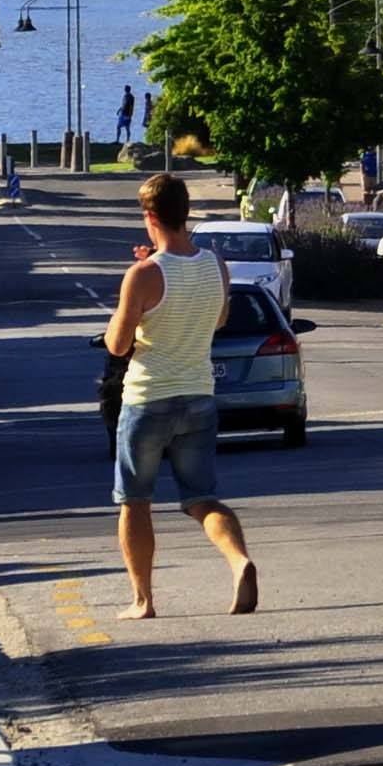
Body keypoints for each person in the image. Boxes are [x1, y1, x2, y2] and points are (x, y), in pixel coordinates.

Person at [103, 173, 258, 618]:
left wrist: (132, 289)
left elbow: (117, 344)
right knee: (201, 499)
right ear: (184, 212)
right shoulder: (216, 266)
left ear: (150, 216)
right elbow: (218, 319)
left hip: (148, 397)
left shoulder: (143, 274)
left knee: (134, 501)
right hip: (198, 395)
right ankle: (238, 560)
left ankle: (142, 600)